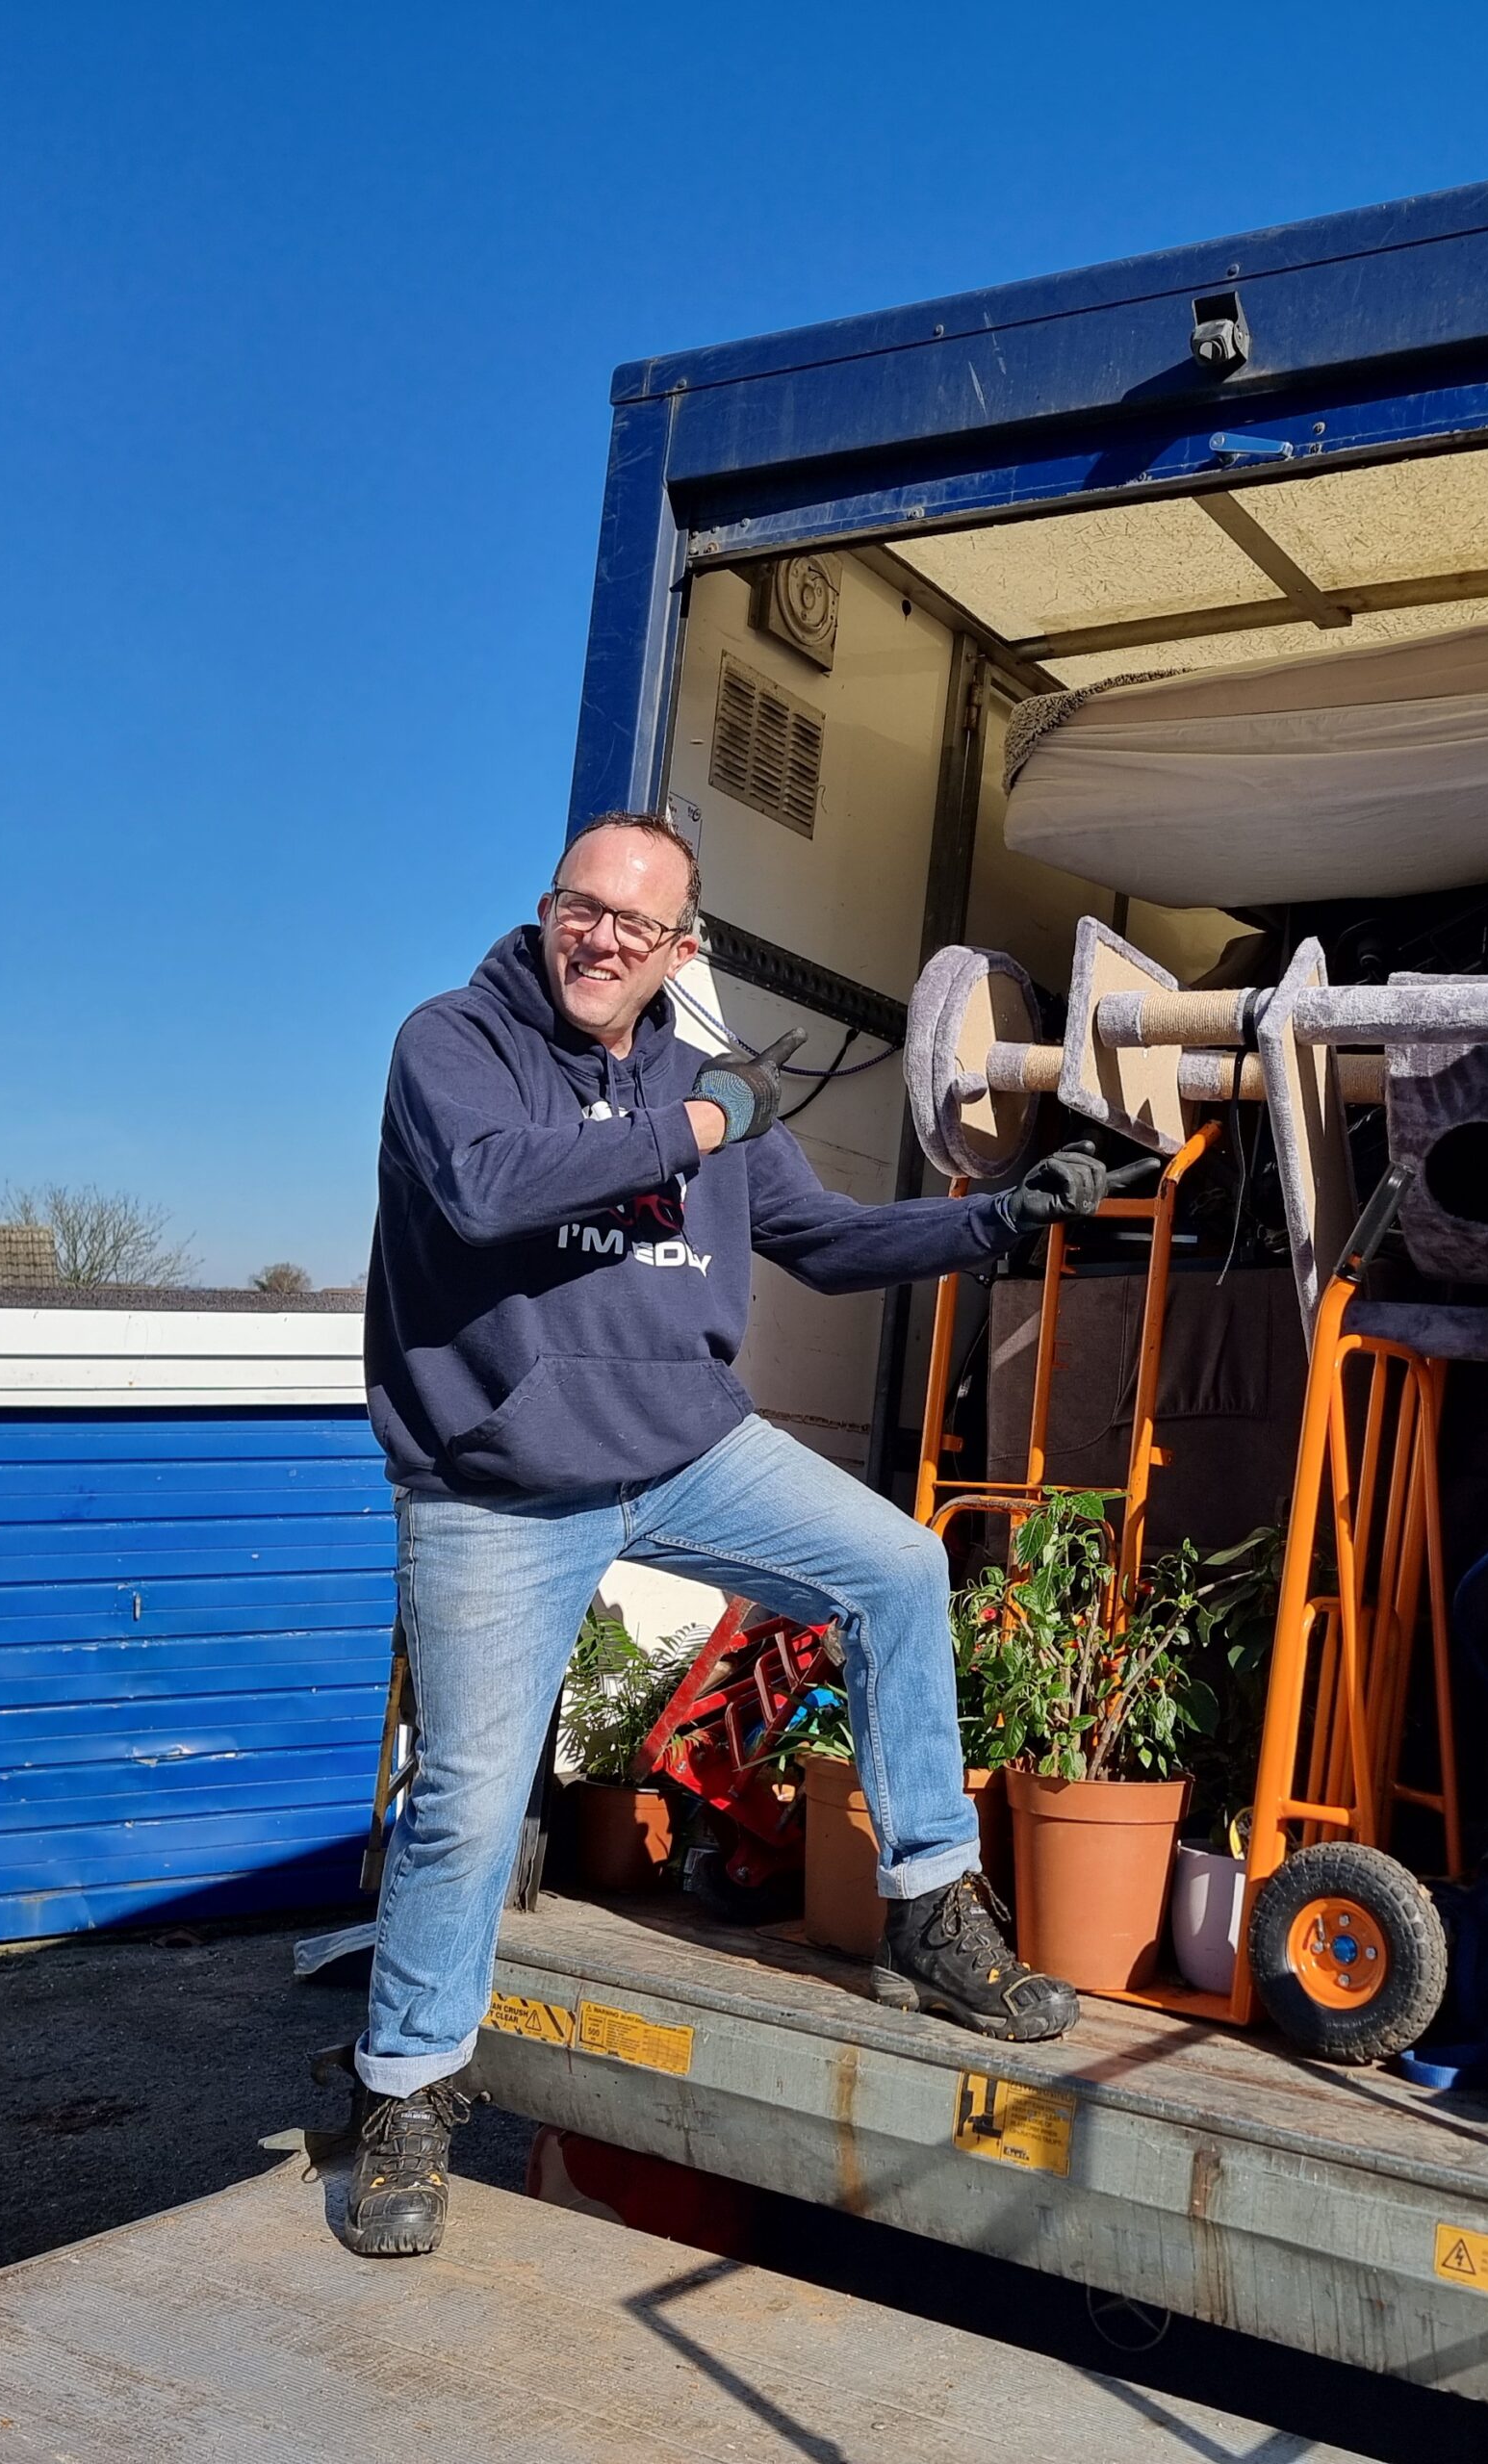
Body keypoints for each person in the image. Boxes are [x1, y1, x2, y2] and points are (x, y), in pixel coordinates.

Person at [347, 808, 1124, 2258]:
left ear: (678, 949)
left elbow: (827, 1246)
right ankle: (404, 2092)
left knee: (895, 1566)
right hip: (495, 1485)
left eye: (638, 927)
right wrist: (708, 1120)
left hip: (688, 1452)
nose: (602, 941)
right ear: (548, 907)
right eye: (583, 908)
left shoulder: (702, 1084)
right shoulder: (452, 1043)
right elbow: (491, 1190)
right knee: (464, 1801)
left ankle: (929, 1904)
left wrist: (995, 1221)